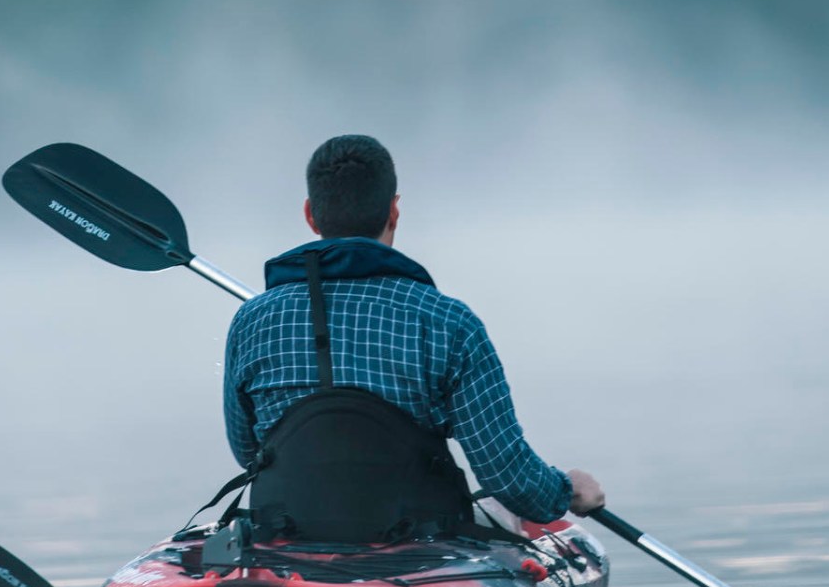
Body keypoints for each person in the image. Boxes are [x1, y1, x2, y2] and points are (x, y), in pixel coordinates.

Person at [222, 135, 604, 543]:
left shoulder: (252, 320)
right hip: (418, 539)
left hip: (291, 531)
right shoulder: (449, 322)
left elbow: (249, 452)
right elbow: (506, 476)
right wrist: (566, 490)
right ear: (394, 211)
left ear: (310, 216)